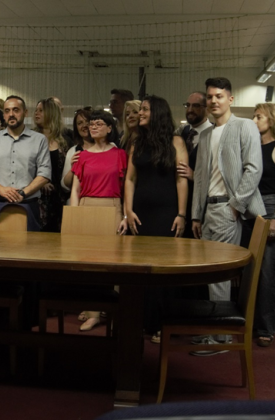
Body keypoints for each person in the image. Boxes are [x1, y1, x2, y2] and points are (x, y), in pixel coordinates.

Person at [190, 77, 265, 355]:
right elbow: (200, 178)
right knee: (210, 273)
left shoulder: (244, 126)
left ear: (230, 99)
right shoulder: (205, 135)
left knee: (219, 273)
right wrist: (196, 215)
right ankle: (215, 330)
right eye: (210, 96)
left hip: (228, 208)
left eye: (219, 96)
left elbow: (253, 168)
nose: (213, 101)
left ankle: (220, 338)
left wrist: (236, 205)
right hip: (208, 210)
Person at [118, 96, 188, 341]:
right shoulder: (137, 142)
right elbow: (130, 179)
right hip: (140, 214)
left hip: (166, 214)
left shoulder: (176, 142)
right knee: (140, 269)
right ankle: (142, 321)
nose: (140, 113)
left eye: (145, 109)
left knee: (162, 269)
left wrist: (181, 214)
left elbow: (181, 179)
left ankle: (161, 324)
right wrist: (127, 211)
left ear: (157, 113)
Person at [238, 103, 275, 348]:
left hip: (270, 208)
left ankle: (266, 327)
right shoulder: (249, 148)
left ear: (272, 120)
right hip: (248, 209)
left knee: (268, 272)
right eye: (253, 116)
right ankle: (246, 321)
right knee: (248, 270)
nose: (254, 120)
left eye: (259, 117)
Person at [70, 109, 127, 331]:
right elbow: (75, 189)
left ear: (110, 128)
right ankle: (93, 310)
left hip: (112, 206)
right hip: (86, 206)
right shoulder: (82, 155)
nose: (93, 127)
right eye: (91, 124)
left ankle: (111, 309)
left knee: (113, 262)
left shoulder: (120, 154)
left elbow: (126, 188)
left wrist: (124, 215)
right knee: (87, 261)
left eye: (99, 123)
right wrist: (74, 216)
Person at [0, 95, 51, 231]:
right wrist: (1, 189)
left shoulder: (39, 140)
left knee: (28, 244)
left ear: (25, 113)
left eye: (16, 110)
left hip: (28, 204)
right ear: (4, 115)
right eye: (7, 111)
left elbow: (44, 174)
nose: (11, 114)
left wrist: (22, 193)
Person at [176, 91, 214, 239]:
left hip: (202, 208)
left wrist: (195, 176)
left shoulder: (215, 134)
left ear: (207, 109)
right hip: (179, 206)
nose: (190, 110)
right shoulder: (182, 133)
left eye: (196, 106)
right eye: (188, 105)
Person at [33, 98, 68, 232]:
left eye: (41, 110)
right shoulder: (31, 138)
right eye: (36, 110)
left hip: (58, 197)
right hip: (37, 196)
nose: (36, 113)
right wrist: (41, 181)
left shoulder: (64, 140)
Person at [61, 107, 93, 203]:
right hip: (78, 201)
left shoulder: (108, 147)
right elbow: (64, 185)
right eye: (80, 123)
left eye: (87, 121)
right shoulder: (73, 151)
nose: (84, 125)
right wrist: (73, 169)